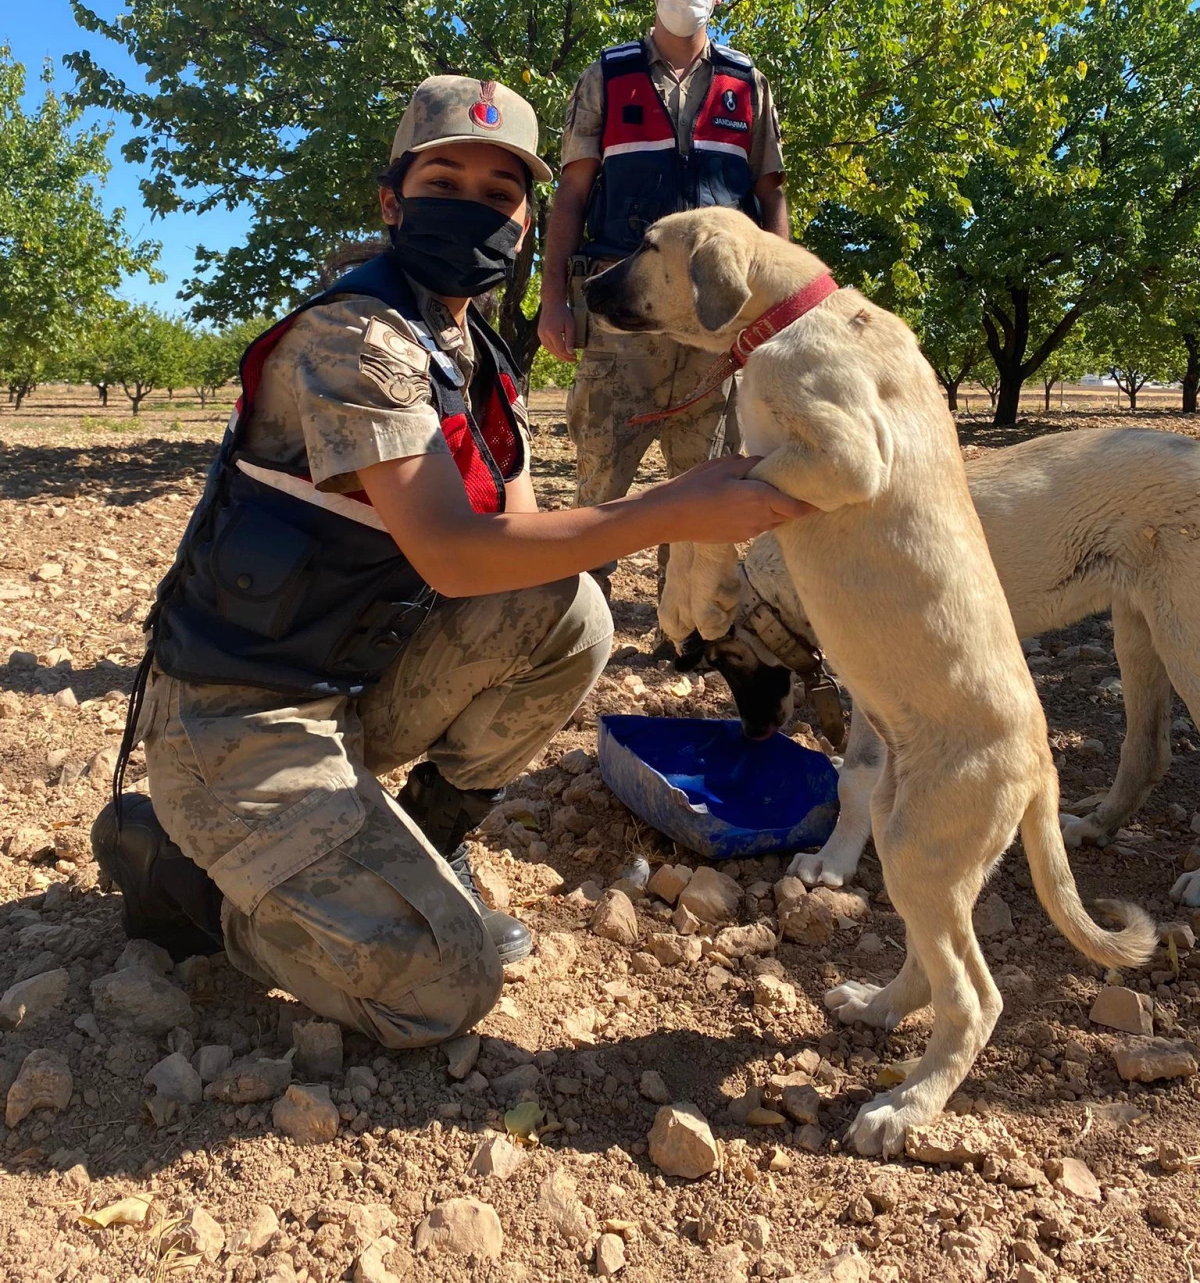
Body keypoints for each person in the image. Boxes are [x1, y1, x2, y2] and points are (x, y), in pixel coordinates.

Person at [90, 75, 808, 1050]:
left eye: (499, 190)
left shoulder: (481, 363)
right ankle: (190, 888)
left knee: (571, 613)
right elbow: (454, 555)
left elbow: (521, 559)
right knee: (444, 985)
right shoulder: (355, 338)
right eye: (445, 178)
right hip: (236, 714)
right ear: (393, 200)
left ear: (525, 221)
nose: (472, 205)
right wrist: (673, 507)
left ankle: (423, 840)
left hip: (345, 687)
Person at [537, 0, 790, 600]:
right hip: (622, 317)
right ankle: (578, 625)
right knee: (600, 485)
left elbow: (770, 201)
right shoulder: (607, 75)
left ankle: (688, 628)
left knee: (705, 492)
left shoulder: (748, 83)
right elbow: (571, 194)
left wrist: (779, 314)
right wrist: (553, 298)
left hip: (716, 324)